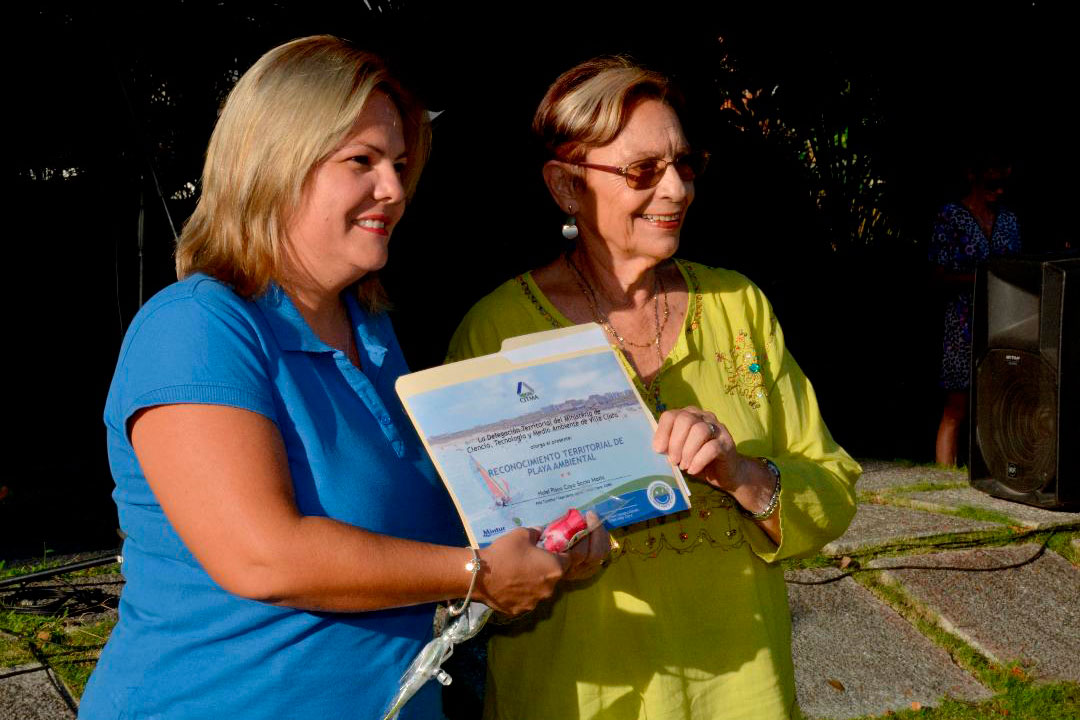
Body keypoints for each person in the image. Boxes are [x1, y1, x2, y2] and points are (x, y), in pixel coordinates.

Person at [79, 36, 607, 720]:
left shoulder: (371, 329)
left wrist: (545, 542)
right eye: (361, 161)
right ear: (274, 164)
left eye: (398, 163)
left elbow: (420, 536)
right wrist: (476, 575)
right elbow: (263, 557)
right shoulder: (196, 328)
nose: (392, 188)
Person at [446, 57, 860, 720]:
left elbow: (833, 486)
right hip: (579, 695)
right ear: (565, 187)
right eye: (642, 171)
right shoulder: (499, 332)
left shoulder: (737, 305)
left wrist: (742, 473)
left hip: (744, 691)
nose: (677, 191)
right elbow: (474, 554)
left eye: (685, 164)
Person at [929, 156, 1021, 467]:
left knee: (1003, 402)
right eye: (992, 184)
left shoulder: (1008, 220)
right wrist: (981, 279)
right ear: (973, 176)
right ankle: (942, 480)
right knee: (957, 406)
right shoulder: (951, 217)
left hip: (1005, 319)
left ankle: (999, 472)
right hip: (964, 321)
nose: (998, 192)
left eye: (1003, 185)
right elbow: (937, 274)